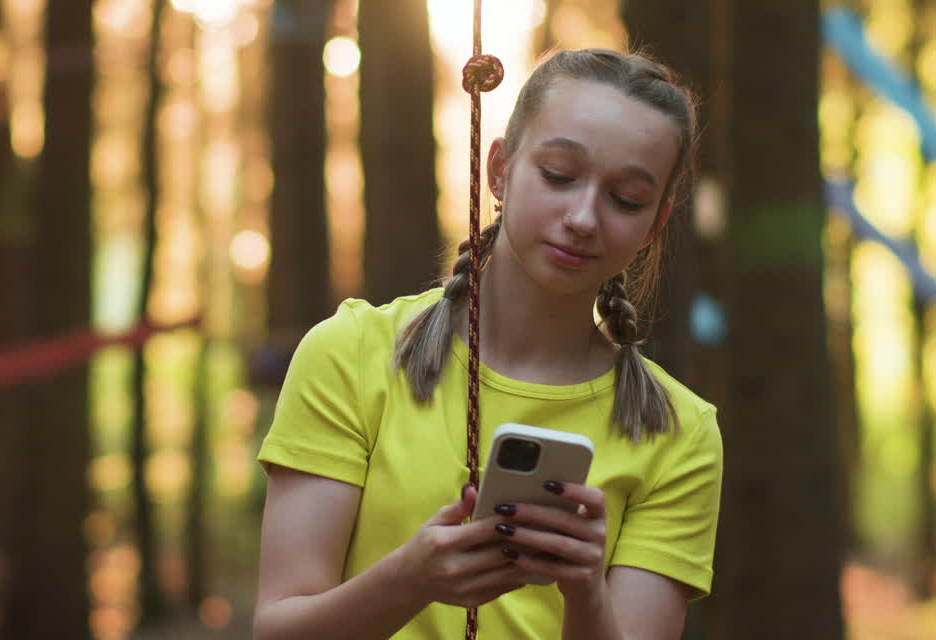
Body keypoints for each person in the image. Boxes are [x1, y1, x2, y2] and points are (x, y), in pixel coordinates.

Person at [253, 48, 723, 640]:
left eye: (625, 199)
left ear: (655, 224)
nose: (583, 217)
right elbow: (278, 629)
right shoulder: (351, 353)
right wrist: (409, 580)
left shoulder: (679, 432)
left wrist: (585, 595)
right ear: (499, 168)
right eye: (558, 175)